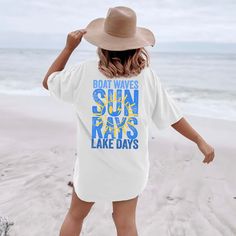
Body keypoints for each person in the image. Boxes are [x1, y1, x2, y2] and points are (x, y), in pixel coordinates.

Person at [42, 6, 215, 236]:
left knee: (75, 216)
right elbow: (172, 115)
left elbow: (48, 82)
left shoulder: (84, 72)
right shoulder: (146, 76)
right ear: (136, 45)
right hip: (130, 170)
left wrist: (68, 48)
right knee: (125, 223)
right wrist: (199, 140)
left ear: (101, 43)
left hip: (92, 169)